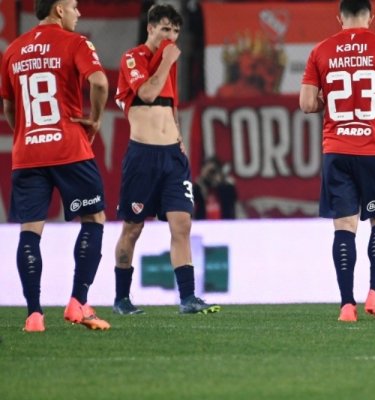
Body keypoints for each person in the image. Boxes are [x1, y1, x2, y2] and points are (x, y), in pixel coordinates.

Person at [0, 0, 110, 332]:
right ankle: (78, 303)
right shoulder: (75, 42)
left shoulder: (13, 50)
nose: (79, 13)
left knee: (30, 230)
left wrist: (24, 133)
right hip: (69, 148)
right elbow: (101, 83)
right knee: (94, 218)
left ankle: (34, 315)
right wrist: (95, 119)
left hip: (27, 153)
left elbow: (8, 105)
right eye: (75, 6)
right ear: (59, 10)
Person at [299, 0, 375, 322]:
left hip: (336, 148)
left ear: (340, 18)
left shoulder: (320, 50)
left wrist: (333, 102)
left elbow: (307, 104)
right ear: (371, 17)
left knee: (344, 226)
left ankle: (347, 305)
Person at [113, 4, 220, 315]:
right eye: (164, 30)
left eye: (174, 32)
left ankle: (187, 298)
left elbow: (168, 105)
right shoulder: (133, 58)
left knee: (182, 224)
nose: (170, 37)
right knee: (133, 228)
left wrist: (178, 135)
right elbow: (146, 94)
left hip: (172, 155)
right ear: (150, 29)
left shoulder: (167, 63)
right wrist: (167, 60)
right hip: (142, 157)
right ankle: (121, 298)